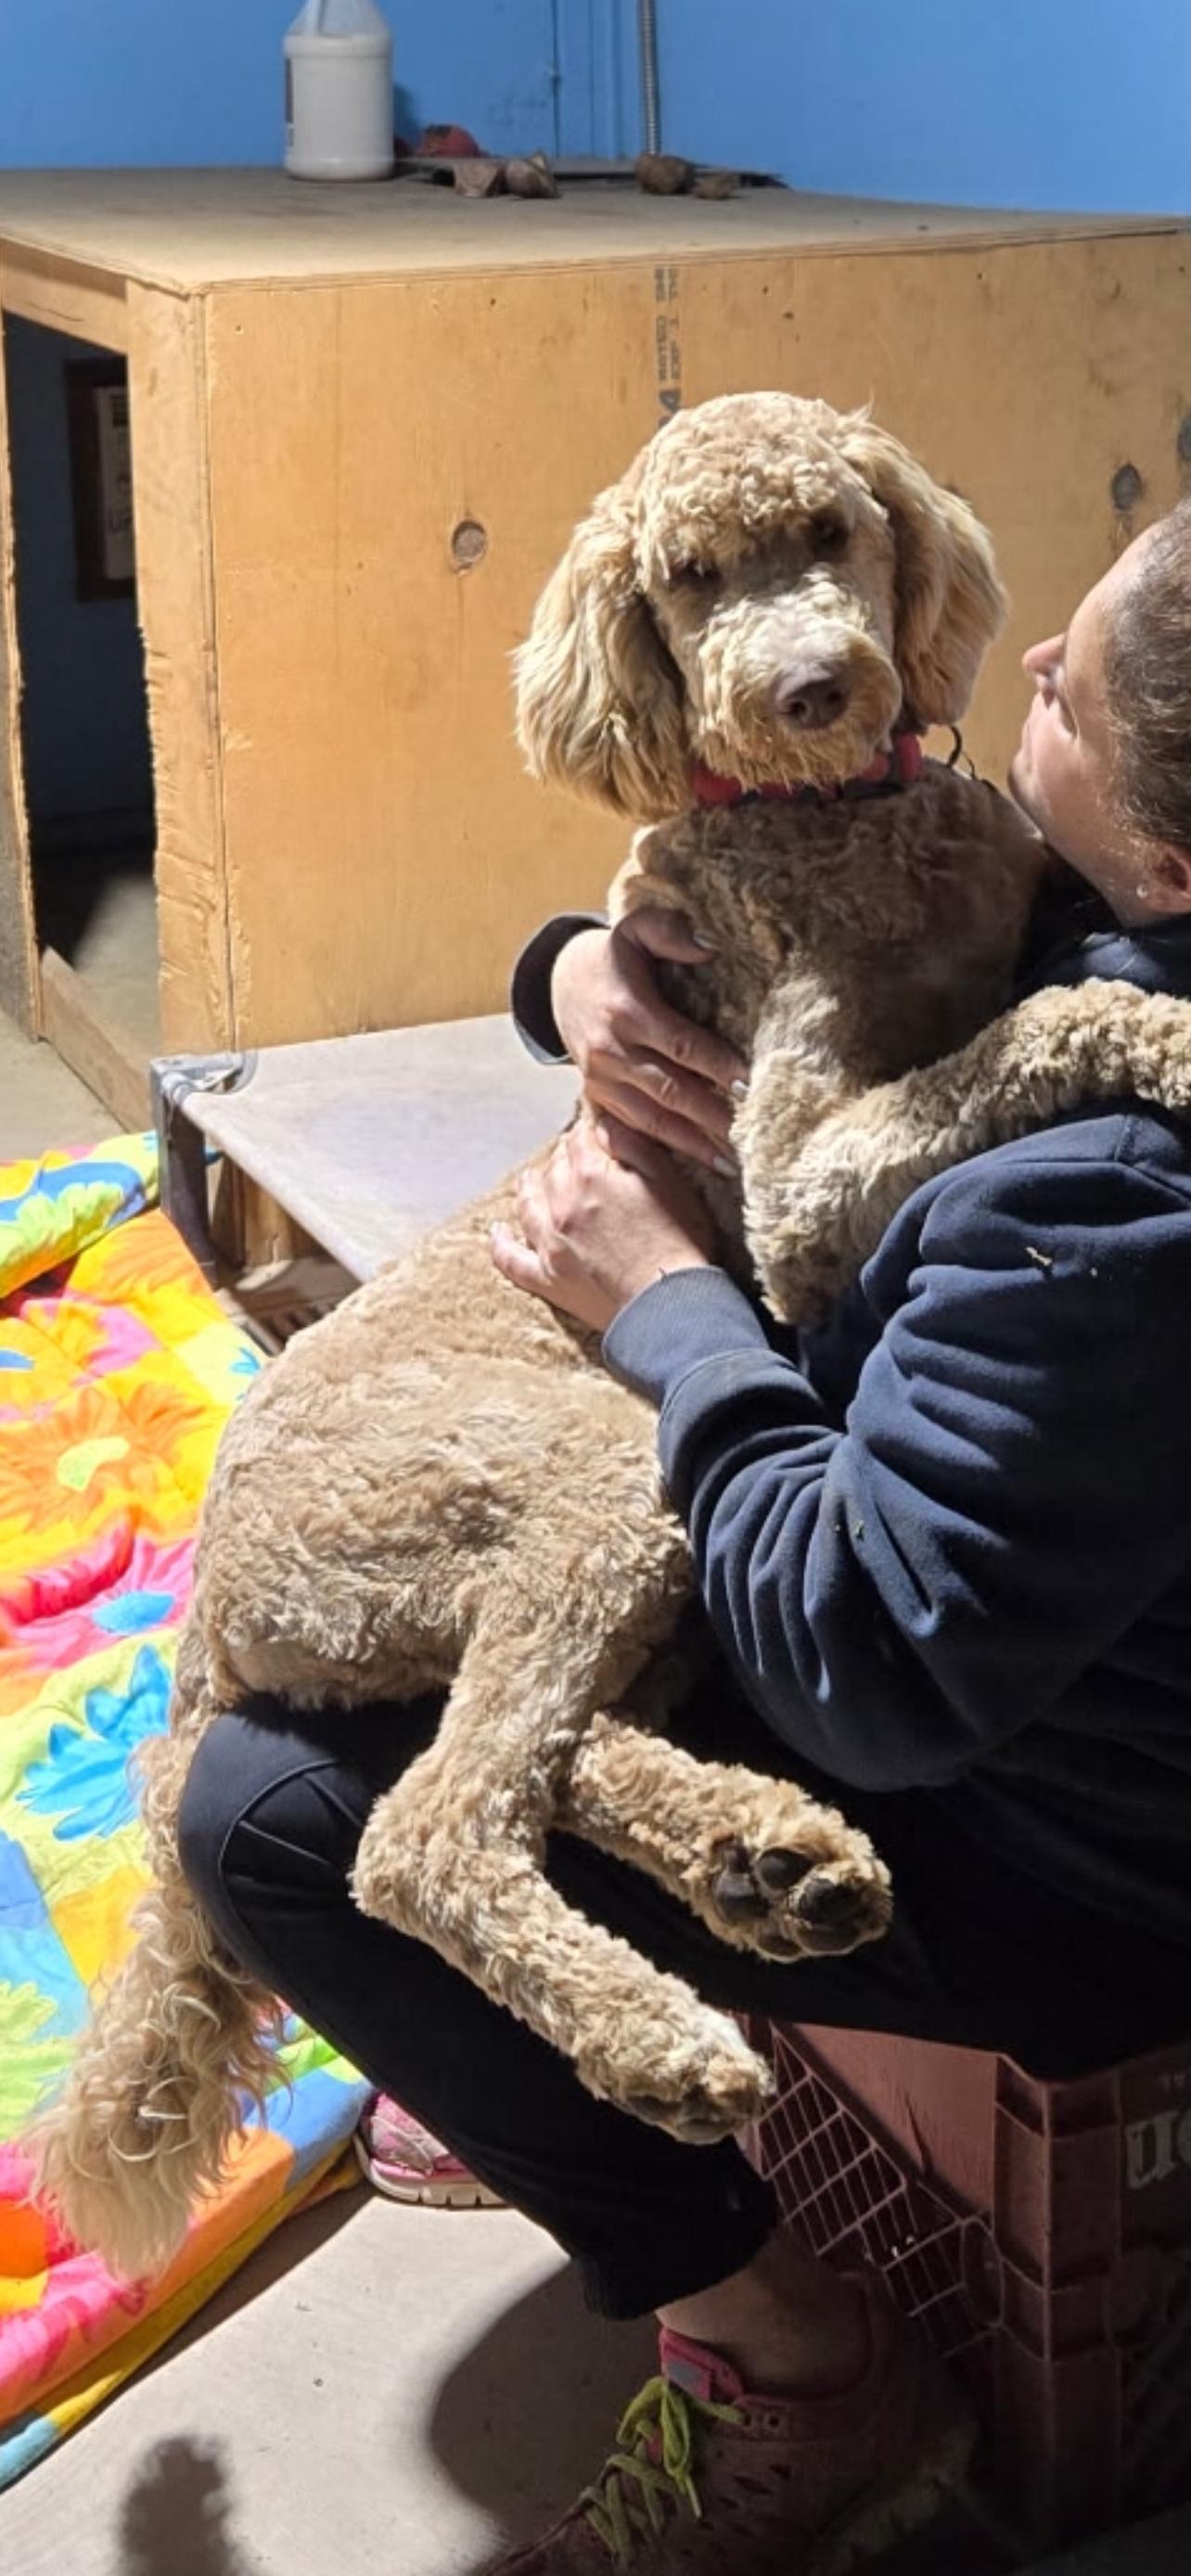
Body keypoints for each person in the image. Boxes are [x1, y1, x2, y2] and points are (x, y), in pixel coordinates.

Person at [179, 508, 1191, 2574]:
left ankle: (805, 2369)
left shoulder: (1107, 1192)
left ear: (1169, 867)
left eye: (1072, 687)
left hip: (1083, 1842)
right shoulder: (1111, 930)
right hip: (1029, 1616)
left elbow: (867, 1666)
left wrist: (667, 1308)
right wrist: (585, 974)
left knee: (269, 1812)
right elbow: (824, 914)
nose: (1025, 690)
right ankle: (525, 2002)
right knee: (413, 1626)